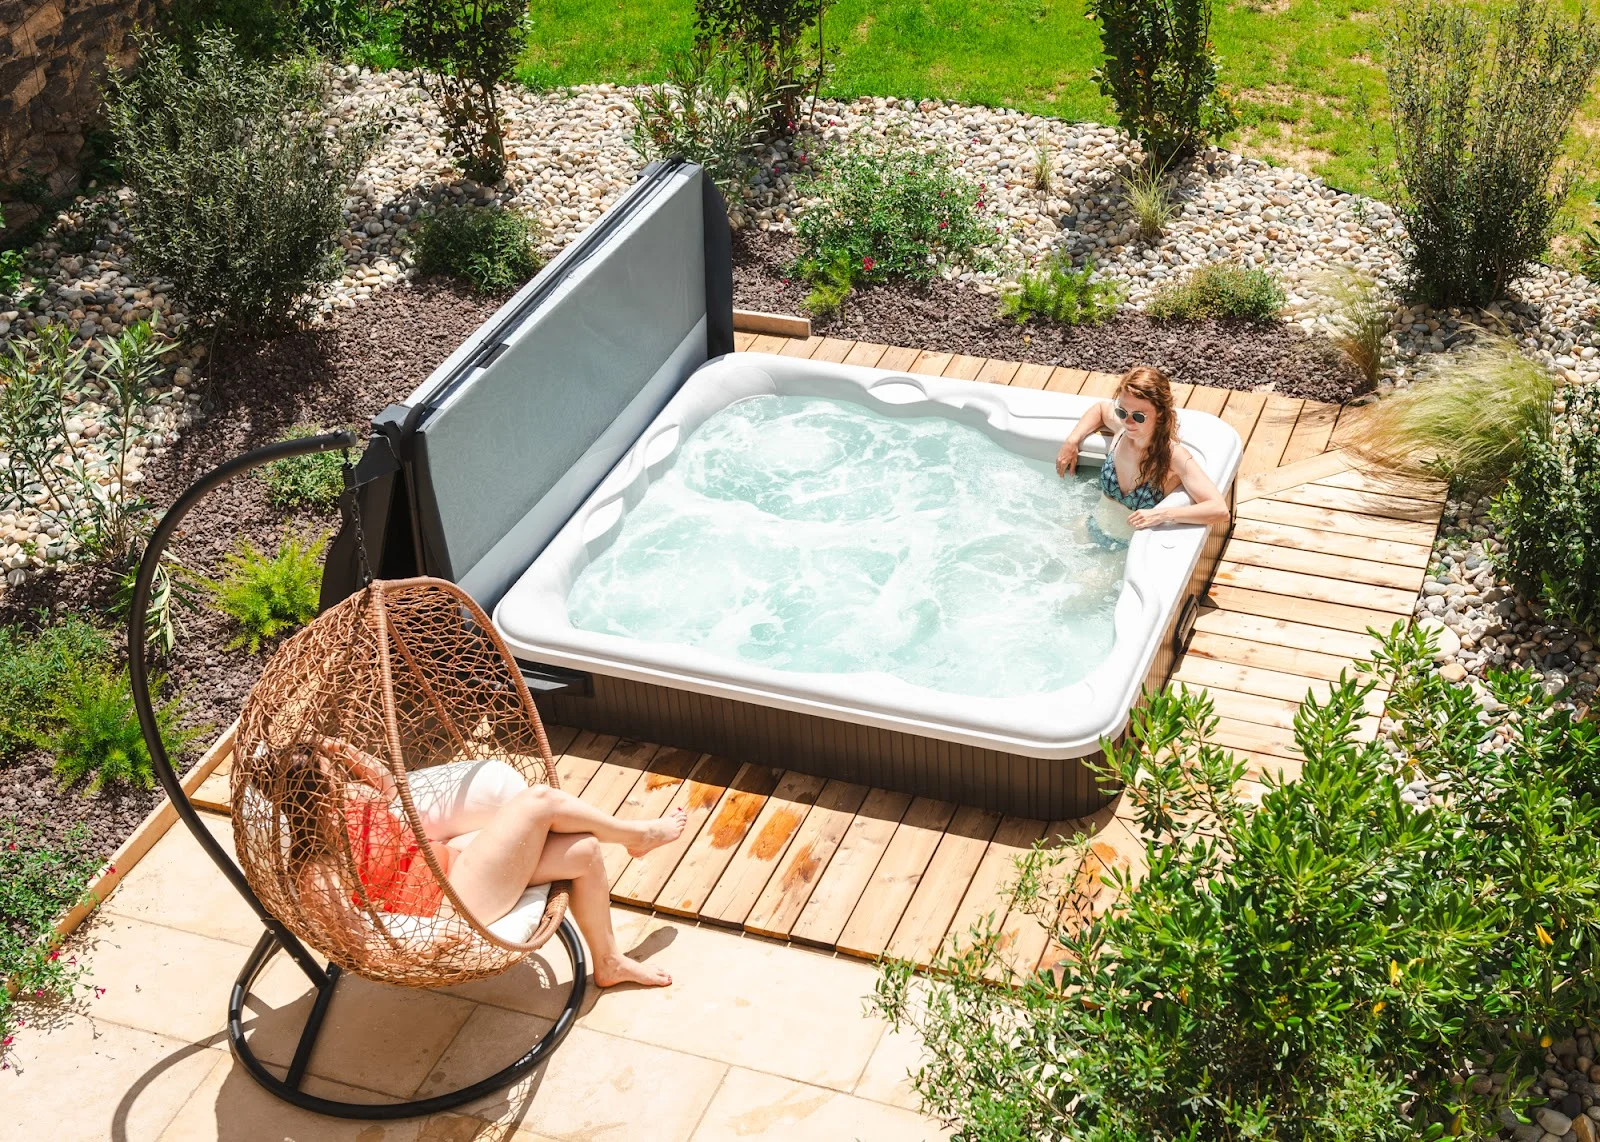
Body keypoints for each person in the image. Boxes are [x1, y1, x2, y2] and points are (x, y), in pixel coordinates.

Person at [281, 735, 687, 989]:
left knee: (584, 851)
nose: (338, 779)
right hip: (452, 904)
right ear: (315, 798)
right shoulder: (318, 869)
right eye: (328, 776)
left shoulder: (352, 801)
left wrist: (341, 749)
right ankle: (639, 836)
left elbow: (390, 788)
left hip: (457, 861)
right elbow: (359, 946)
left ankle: (609, 963)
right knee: (540, 800)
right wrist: (423, 946)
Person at [1054, 365, 1230, 531]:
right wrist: (1072, 441)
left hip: (1124, 548)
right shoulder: (1122, 431)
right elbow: (1100, 409)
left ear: (1160, 413)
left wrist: (1163, 514)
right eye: (1122, 412)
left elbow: (1219, 509)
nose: (1128, 421)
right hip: (1091, 527)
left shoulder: (1174, 456)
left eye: (1138, 416)